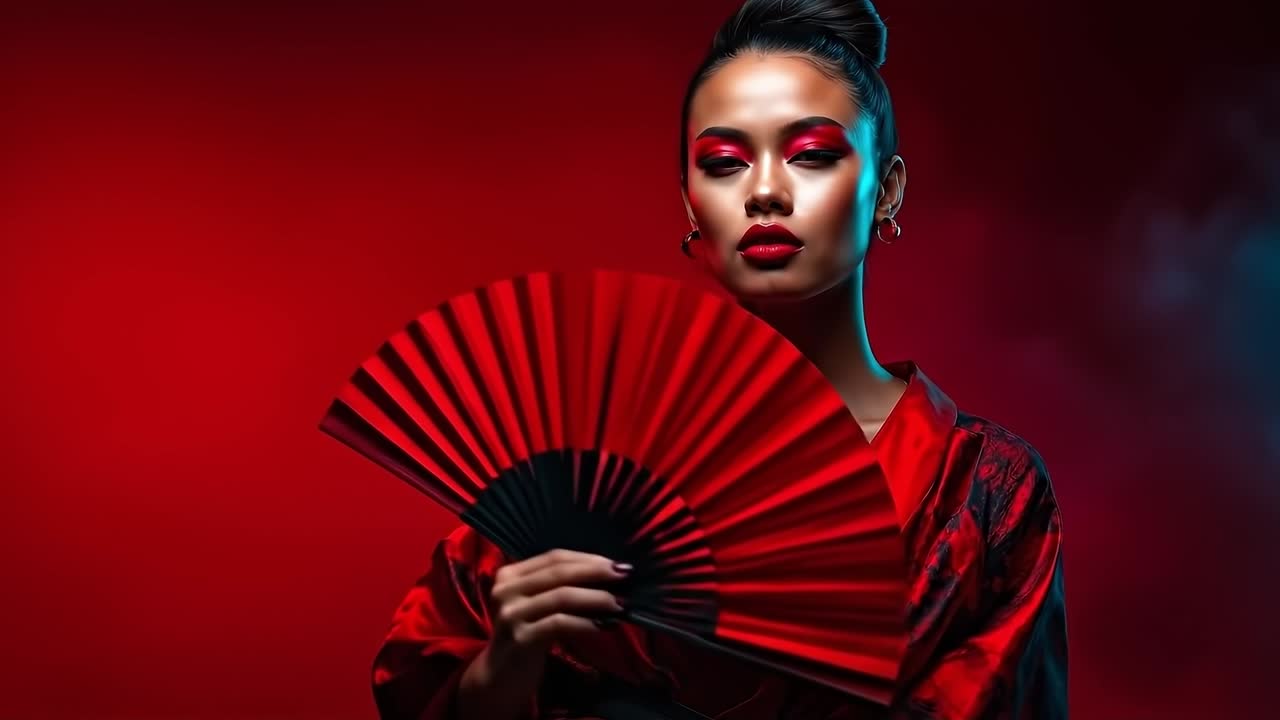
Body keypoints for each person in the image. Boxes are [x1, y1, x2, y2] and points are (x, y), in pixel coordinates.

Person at [369, 1, 1068, 718]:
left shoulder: (985, 490)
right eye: (725, 163)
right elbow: (423, 685)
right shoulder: (586, 461)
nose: (765, 191)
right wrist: (506, 665)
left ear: (886, 189)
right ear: (690, 204)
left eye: (813, 154)